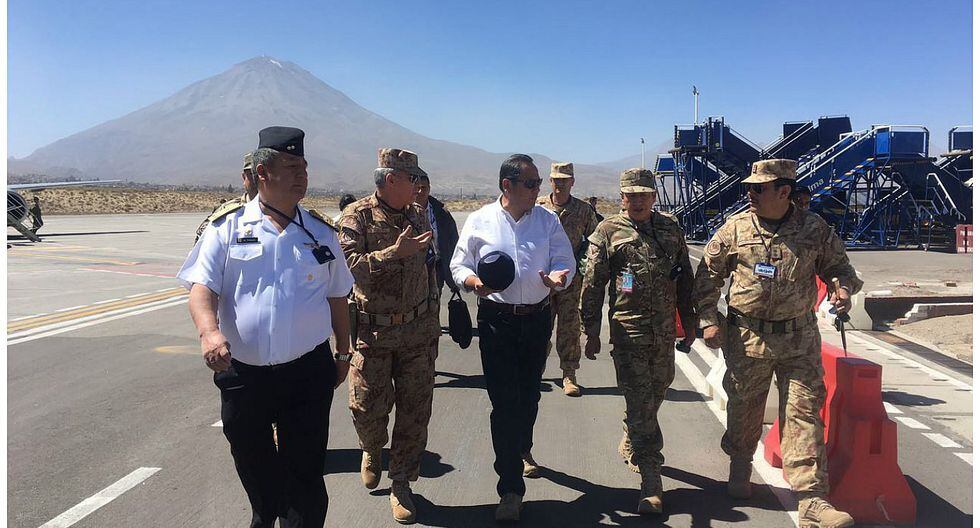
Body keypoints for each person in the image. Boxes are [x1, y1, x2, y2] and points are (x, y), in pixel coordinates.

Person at [178, 126, 354, 528]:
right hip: (244, 375)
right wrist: (209, 332)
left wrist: (344, 352)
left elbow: (337, 297)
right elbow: (201, 288)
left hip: (306, 372)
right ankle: (265, 512)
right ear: (262, 173)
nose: (301, 175)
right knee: (253, 463)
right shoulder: (227, 227)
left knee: (306, 474)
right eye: (291, 166)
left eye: (304, 167)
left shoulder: (321, 232)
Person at [693, 159, 862, 528]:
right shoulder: (735, 228)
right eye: (749, 187)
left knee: (804, 414)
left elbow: (840, 269)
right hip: (747, 338)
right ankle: (740, 463)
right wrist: (708, 321)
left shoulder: (814, 229)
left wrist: (843, 289)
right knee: (744, 409)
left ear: (784, 191)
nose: (750, 194)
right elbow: (706, 278)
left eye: (759, 188)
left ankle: (812, 499)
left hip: (799, 339)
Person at [450, 153, 575, 522]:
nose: (538, 189)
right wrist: (474, 282)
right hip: (497, 322)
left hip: (537, 320)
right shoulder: (480, 220)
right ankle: (510, 488)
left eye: (538, 183)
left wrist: (559, 277)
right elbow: (458, 264)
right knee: (504, 404)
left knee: (529, 396)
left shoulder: (548, 221)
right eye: (531, 183)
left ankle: (521, 446)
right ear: (508, 185)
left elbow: (564, 260)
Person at [579, 168, 696, 514]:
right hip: (628, 332)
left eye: (644, 194)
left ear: (653, 196)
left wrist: (690, 322)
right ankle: (651, 481)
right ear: (622, 197)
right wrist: (590, 330)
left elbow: (685, 277)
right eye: (632, 195)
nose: (638, 200)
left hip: (664, 332)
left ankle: (632, 433)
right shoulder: (607, 231)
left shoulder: (670, 229)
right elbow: (593, 284)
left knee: (658, 390)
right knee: (641, 403)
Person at [337, 148, 440, 524]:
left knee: (415, 412)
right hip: (374, 333)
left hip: (416, 331)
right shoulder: (357, 216)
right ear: (391, 179)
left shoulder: (417, 212)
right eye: (413, 179)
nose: (418, 185)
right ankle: (371, 446)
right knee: (366, 408)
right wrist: (391, 254)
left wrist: (434, 324)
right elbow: (345, 268)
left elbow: (429, 268)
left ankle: (401, 484)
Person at [536, 162, 598, 396]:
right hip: (541, 279)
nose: (560, 184)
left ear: (572, 182)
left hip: (570, 281)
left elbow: (594, 242)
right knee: (539, 327)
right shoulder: (537, 206)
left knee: (569, 329)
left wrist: (581, 266)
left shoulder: (583, 210)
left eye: (564, 180)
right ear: (550, 181)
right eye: (556, 180)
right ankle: (535, 371)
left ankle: (569, 374)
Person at [194, 151, 259, 243]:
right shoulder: (225, 216)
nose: (259, 179)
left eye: (263, 173)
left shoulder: (279, 215)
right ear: (244, 177)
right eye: (252, 174)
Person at [414, 173, 460, 295]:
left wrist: (453, 274)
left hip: (437, 268)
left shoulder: (441, 213)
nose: (420, 191)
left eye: (423, 188)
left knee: (434, 301)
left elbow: (454, 242)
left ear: (429, 188)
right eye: (417, 188)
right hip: (415, 270)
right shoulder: (404, 211)